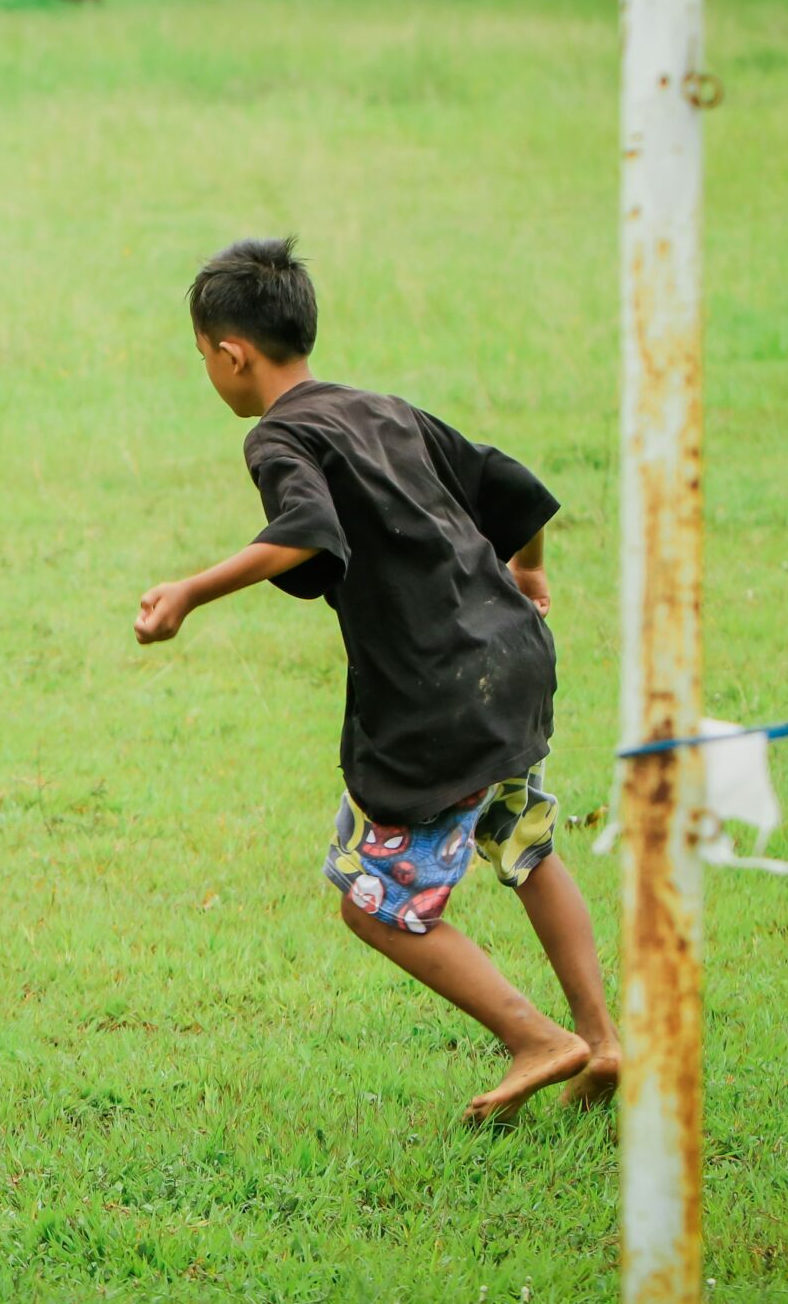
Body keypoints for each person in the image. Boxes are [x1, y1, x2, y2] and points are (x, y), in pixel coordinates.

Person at [134, 237, 621, 1121]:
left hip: (435, 696)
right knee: (522, 839)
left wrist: (190, 592)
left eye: (203, 354)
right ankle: (605, 1036)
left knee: (376, 900)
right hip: (510, 661)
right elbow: (514, 483)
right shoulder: (381, 407)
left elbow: (307, 533)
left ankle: (538, 1038)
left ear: (228, 353)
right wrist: (532, 573)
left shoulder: (279, 435)